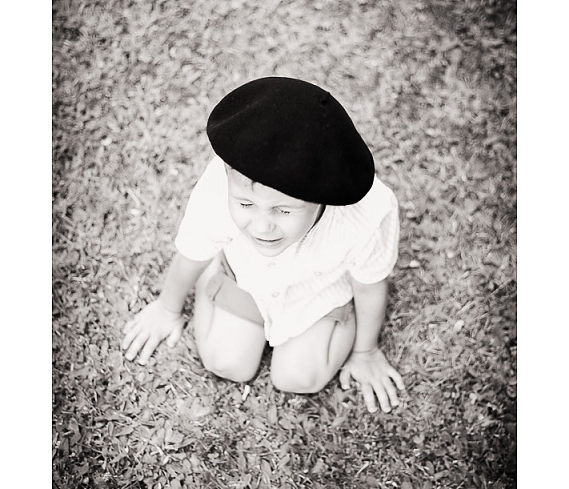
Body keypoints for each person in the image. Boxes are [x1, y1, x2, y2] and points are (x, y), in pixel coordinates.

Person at [121, 77, 405, 413]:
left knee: (300, 378)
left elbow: (370, 287)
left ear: (321, 200)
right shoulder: (217, 190)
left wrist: (365, 352)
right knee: (226, 362)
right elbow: (191, 254)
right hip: (246, 278)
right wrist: (167, 309)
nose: (261, 226)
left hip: (318, 293)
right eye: (245, 204)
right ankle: (216, 275)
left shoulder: (364, 216)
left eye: (283, 211)